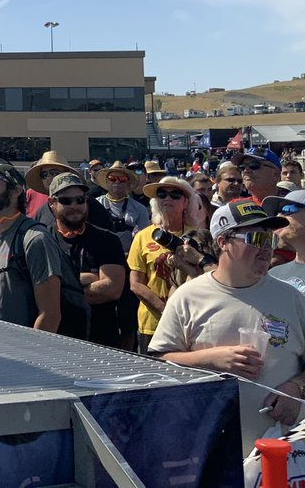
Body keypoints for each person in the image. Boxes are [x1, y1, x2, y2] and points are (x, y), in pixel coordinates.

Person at [149, 200, 304, 453]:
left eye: (270, 240)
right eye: (255, 238)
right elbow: (157, 361)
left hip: (286, 450)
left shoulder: (292, 297)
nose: (265, 249)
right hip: (210, 447)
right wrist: (210, 359)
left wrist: (296, 388)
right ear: (222, 241)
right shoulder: (188, 297)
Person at [0, 163, 84, 336]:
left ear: (16, 190)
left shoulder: (35, 238)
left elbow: (50, 315)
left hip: (22, 357)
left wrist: (30, 358)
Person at [46, 173, 126, 347]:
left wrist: (59, 287)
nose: (75, 206)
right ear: (52, 204)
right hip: (56, 343)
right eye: (66, 201)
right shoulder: (42, 241)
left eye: (80, 199)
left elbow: (111, 290)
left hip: (102, 343)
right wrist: (87, 279)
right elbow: (34, 292)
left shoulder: (107, 240)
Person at [128, 176, 208, 351]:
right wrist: (166, 311)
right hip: (152, 323)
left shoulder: (199, 236)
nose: (167, 198)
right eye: (162, 194)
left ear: (187, 202)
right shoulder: (143, 236)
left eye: (175, 195)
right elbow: (135, 284)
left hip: (191, 321)